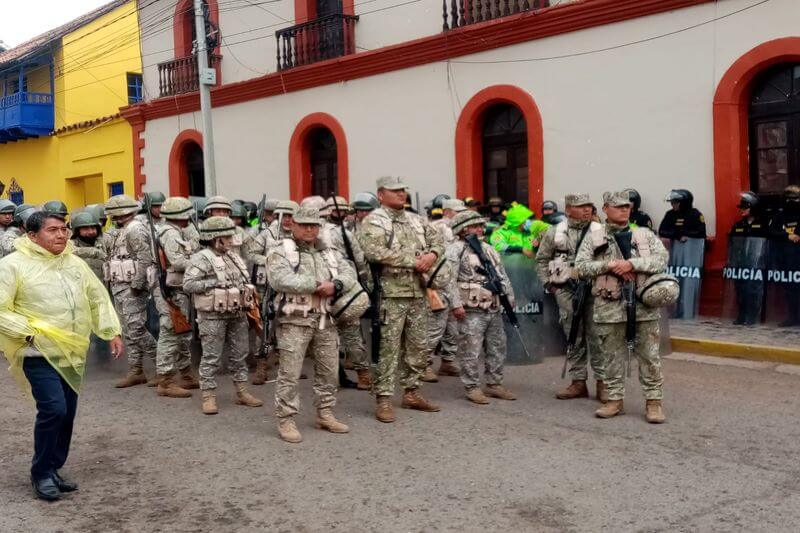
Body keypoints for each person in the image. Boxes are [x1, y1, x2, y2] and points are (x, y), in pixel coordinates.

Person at [0, 210, 123, 501]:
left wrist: (110, 331)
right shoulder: (12, 266)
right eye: (52, 230)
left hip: (72, 351)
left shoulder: (73, 263)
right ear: (32, 236)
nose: (61, 235)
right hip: (36, 351)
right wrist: (27, 331)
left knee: (67, 413)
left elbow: (96, 297)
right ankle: (41, 473)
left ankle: (54, 467)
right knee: (53, 409)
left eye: (63, 229)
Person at [575, 191, 669, 423]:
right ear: (606, 208)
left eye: (627, 206)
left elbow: (661, 260)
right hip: (609, 306)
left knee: (649, 357)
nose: (624, 210)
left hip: (643, 304)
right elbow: (581, 267)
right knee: (611, 357)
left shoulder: (644, 234)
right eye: (618, 207)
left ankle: (654, 403)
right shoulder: (594, 237)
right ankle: (614, 400)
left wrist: (631, 264)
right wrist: (610, 265)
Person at [360, 176, 445, 423]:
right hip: (390, 294)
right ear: (381, 194)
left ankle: (411, 392)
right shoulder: (374, 221)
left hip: (418, 291)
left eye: (403, 190)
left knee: (418, 345)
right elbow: (374, 251)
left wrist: (432, 254)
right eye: (394, 190)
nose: (401, 194)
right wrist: (413, 261)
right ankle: (384, 398)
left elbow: (438, 239)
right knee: (388, 347)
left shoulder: (416, 220)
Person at [267, 206, 356, 442]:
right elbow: (280, 279)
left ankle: (325, 413)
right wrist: (318, 284)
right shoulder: (281, 251)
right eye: (304, 224)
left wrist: (335, 285)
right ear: (292, 224)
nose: (309, 229)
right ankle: (286, 419)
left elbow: (349, 274)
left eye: (314, 225)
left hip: (326, 319)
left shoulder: (329, 251)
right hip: (294, 321)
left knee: (329, 371)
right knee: (290, 373)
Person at [182, 216, 264, 414]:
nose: (231, 240)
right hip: (212, 316)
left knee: (240, 354)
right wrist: (214, 284)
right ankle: (208, 396)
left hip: (237, 312)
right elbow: (188, 284)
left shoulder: (233, 257)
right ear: (215, 238)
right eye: (227, 237)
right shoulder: (202, 258)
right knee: (211, 356)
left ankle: (242, 392)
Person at [536, 194, 606, 402]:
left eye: (588, 206)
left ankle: (603, 383)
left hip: (594, 290)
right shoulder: (554, 232)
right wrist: (550, 285)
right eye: (580, 206)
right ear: (568, 210)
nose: (586, 210)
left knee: (598, 336)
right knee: (573, 334)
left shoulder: (600, 231)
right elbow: (541, 260)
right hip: (566, 290)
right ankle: (578, 382)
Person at [447, 210, 517, 403]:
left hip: (492, 307)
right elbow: (448, 280)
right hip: (470, 309)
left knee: (497, 346)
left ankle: (494, 384)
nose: (481, 228)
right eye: (475, 225)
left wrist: (509, 295)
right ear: (463, 229)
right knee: (470, 348)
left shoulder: (488, 248)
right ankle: (472, 387)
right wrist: (455, 304)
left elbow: (501, 274)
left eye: (481, 225)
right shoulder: (456, 249)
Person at [104, 194, 158, 388]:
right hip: (119, 285)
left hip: (131, 287)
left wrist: (137, 284)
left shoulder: (134, 229)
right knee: (127, 331)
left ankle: (162, 368)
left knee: (136, 328)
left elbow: (145, 259)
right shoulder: (121, 229)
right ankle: (136, 370)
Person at [150, 197, 201, 398]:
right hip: (170, 289)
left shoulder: (172, 231)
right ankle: (165, 380)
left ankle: (185, 373)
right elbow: (178, 262)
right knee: (170, 331)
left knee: (181, 331)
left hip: (176, 288)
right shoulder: (170, 234)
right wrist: (201, 259)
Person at [321, 195, 373, 390]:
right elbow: (359, 260)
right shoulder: (345, 234)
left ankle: (334, 376)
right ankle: (363, 375)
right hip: (343, 280)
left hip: (328, 283)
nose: (341, 214)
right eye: (338, 211)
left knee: (328, 334)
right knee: (350, 331)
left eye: (343, 211)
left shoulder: (317, 231)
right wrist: (365, 282)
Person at [424, 198, 462, 381]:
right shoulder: (437, 228)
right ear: (447, 212)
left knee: (452, 329)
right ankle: (424, 364)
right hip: (438, 285)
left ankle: (447, 361)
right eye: (457, 211)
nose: (461, 214)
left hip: (454, 285)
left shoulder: (458, 229)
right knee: (434, 328)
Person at [769, 185, 800, 327]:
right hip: (786, 260)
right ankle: (793, 317)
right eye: (794, 199)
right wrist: (787, 236)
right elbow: (771, 232)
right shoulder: (780, 216)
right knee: (790, 291)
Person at [70, 211, 106, 280]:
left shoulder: (103, 241)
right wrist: (93, 251)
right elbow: (67, 250)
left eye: (93, 228)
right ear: (77, 231)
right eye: (85, 229)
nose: (90, 232)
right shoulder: (72, 244)